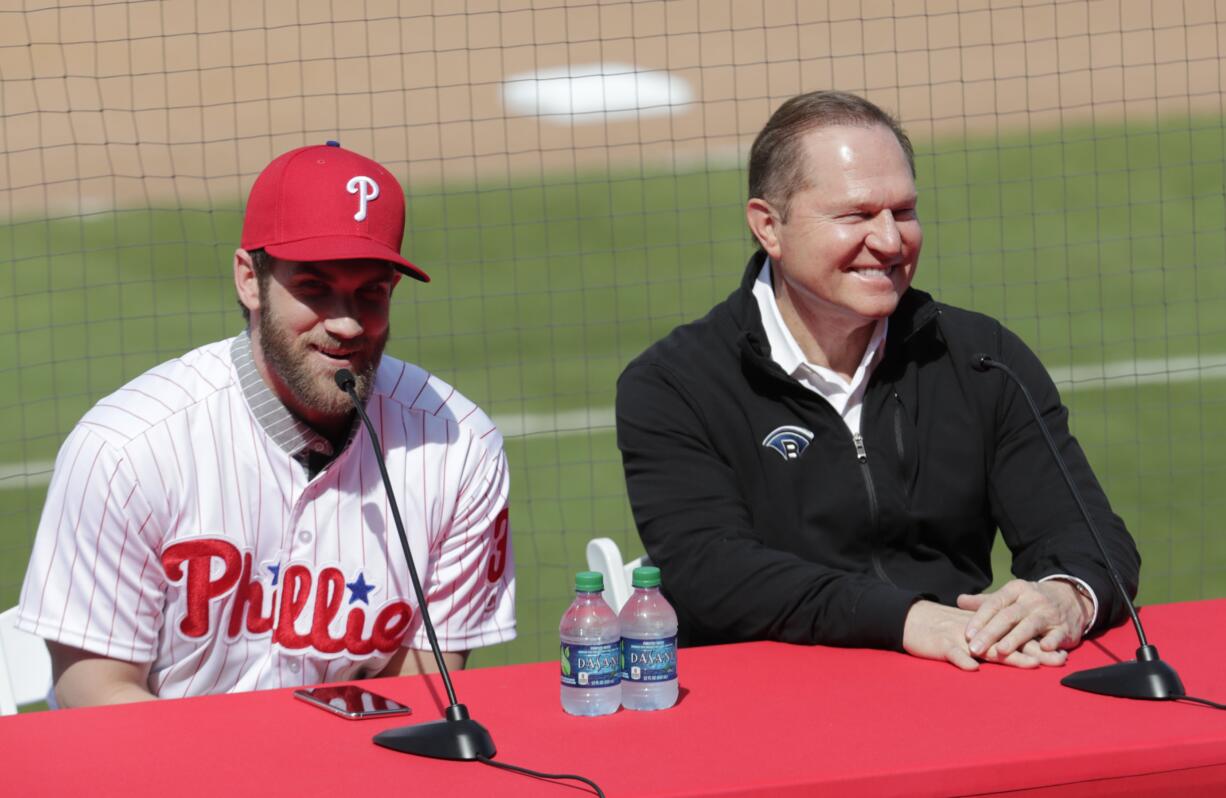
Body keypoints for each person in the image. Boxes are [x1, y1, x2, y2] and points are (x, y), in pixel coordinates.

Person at [615, 91, 1140, 671]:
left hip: (954, 685)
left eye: (904, 211)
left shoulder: (982, 358)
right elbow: (711, 573)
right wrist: (907, 619)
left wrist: (1064, 597)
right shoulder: (673, 384)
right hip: (766, 708)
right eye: (856, 215)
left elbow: (1091, 538)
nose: (890, 241)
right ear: (769, 227)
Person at [17, 142, 515, 706]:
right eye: (314, 288)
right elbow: (96, 691)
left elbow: (427, 684)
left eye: (370, 292)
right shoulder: (127, 450)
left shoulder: (459, 448)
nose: (347, 323)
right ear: (249, 280)